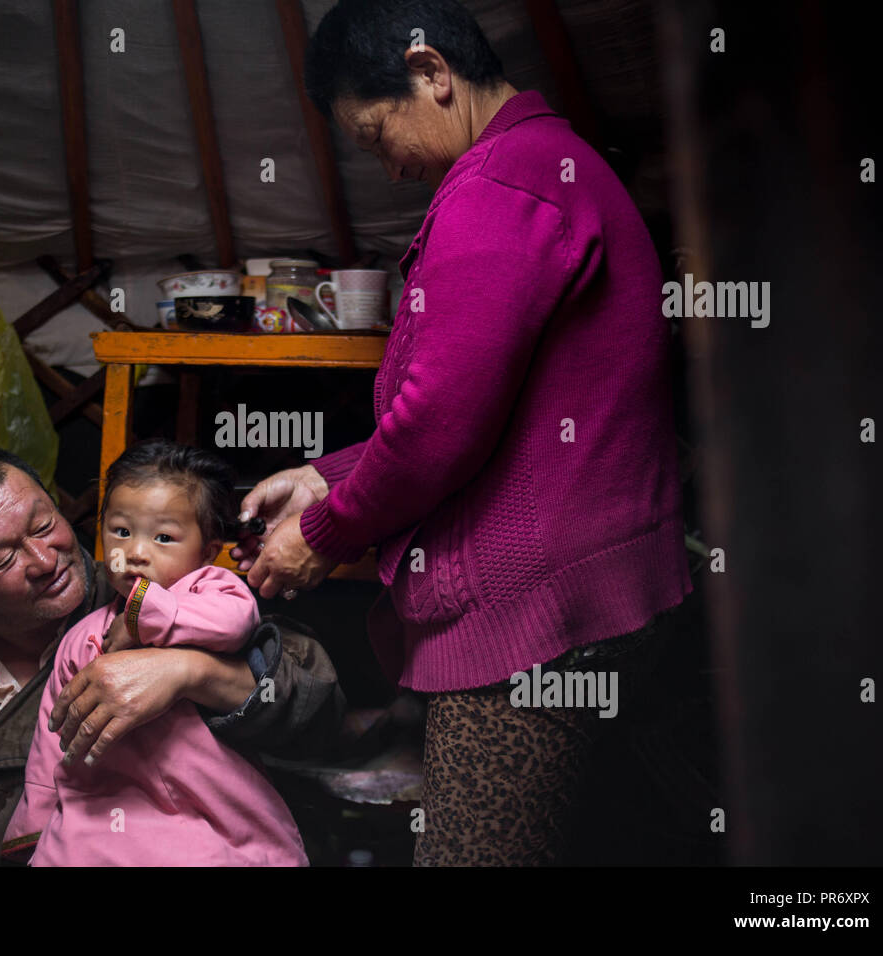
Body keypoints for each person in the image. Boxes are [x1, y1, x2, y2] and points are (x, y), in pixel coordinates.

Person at [234, 0, 692, 865]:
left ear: (430, 71)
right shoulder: (549, 165)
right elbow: (493, 412)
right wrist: (329, 476)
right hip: (613, 587)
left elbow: (440, 428)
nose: (391, 168)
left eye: (376, 136)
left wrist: (325, 533)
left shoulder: (498, 186)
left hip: (536, 613)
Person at [0, 445, 344, 865]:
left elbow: (313, 700)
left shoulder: (150, 593)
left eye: (44, 525)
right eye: (5, 559)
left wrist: (187, 671)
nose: (45, 561)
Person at [4, 441, 308, 866]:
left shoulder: (208, 594)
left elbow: (234, 621)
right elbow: (52, 738)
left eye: (164, 537)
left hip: (202, 805)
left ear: (205, 552)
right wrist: (32, 825)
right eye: (121, 531)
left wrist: (142, 614)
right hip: (104, 806)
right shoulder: (83, 637)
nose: (136, 552)